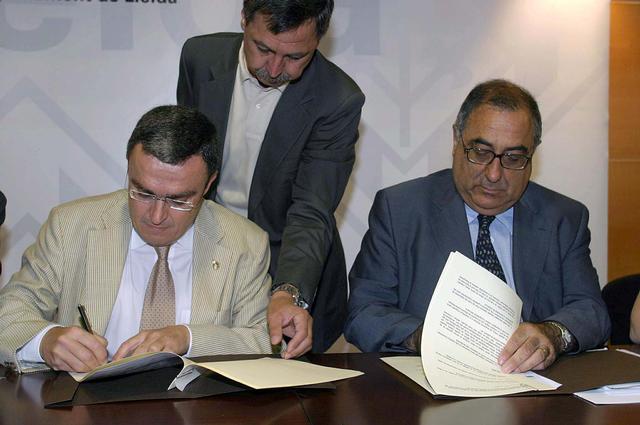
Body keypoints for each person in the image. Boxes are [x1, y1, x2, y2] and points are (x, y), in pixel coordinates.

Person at [344, 79, 610, 373]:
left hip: (534, 385)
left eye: (513, 158)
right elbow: (364, 313)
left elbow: (591, 312)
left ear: (532, 154)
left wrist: (552, 334)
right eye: (481, 152)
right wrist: (427, 338)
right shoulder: (401, 210)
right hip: (434, 384)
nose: (494, 174)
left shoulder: (563, 218)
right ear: (456, 140)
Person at [0, 105, 273, 374]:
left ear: (208, 184)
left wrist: (187, 339)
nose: (156, 216)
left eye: (178, 200)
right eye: (143, 193)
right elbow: (9, 312)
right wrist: (45, 341)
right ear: (129, 170)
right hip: (88, 399)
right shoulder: (70, 226)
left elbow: (262, 340)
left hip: (196, 401)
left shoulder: (245, 243)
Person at [177, 0, 365, 355]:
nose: (275, 68)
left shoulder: (338, 99)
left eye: (295, 57)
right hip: (207, 257)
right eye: (263, 48)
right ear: (244, 20)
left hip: (286, 261)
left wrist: (287, 292)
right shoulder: (199, 58)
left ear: (319, 40)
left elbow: (311, 210)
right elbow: (187, 164)